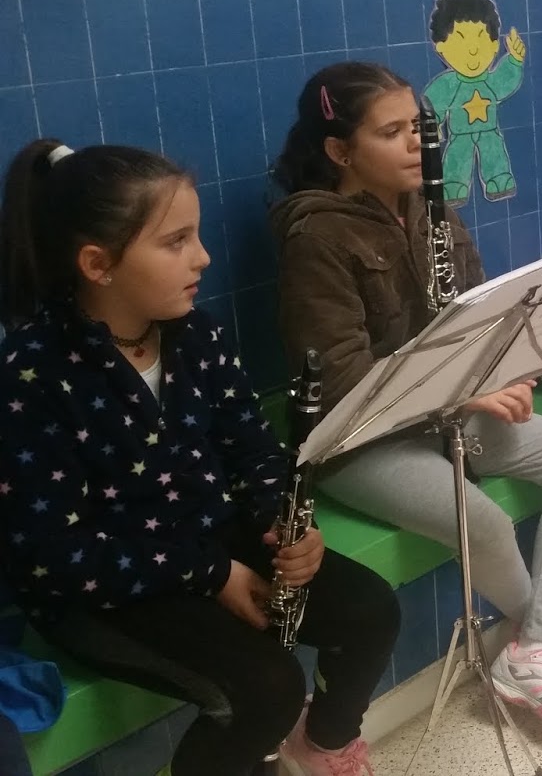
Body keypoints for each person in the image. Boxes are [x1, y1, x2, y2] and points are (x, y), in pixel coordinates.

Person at [0, 140, 400, 776]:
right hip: (100, 586)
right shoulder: (33, 373)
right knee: (266, 691)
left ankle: (322, 744)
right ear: (98, 264)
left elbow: (253, 449)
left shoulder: (198, 335)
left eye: (197, 234)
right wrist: (213, 575)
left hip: (202, 536)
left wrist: (283, 523)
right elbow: (56, 554)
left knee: (370, 611)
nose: (203, 256)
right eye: (175, 241)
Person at [269, 63, 542, 736]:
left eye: (418, 128)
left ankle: (536, 644)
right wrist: (466, 390)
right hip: (356, 439)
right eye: (391, 132)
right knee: (481, 519)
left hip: (446, 413)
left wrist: (505, 368)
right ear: (341, 151)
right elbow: (343, 382)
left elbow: (483, 315)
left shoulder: (433, 211)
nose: (416, 145)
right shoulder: (315, 237)